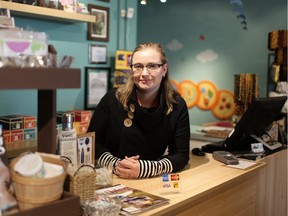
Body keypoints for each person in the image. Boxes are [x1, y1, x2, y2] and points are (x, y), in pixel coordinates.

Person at [87, 42, 190, 179]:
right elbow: (92, 142)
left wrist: (146, 169)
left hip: (151, 179)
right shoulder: (113, 98)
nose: (144, 73)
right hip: (110, 177)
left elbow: (181, 155)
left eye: (152, 66)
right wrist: (117, 165)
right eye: (138, 66)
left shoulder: (177, 105)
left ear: (164, 69)